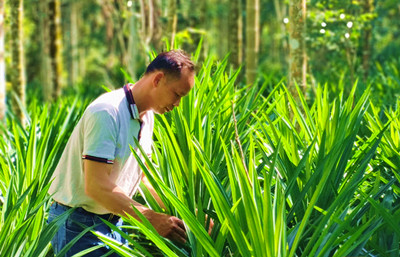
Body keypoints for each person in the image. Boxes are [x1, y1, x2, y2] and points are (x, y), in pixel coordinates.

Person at [47, 50, 196, 256]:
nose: (178, 104)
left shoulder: (147, 116)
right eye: (177, 94)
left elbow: (142, 180)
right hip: (78, 226)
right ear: (158, 79)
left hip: (115, 221)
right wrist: (150, 217)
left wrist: (188, 217)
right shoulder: (107, 112)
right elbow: (96, 186)